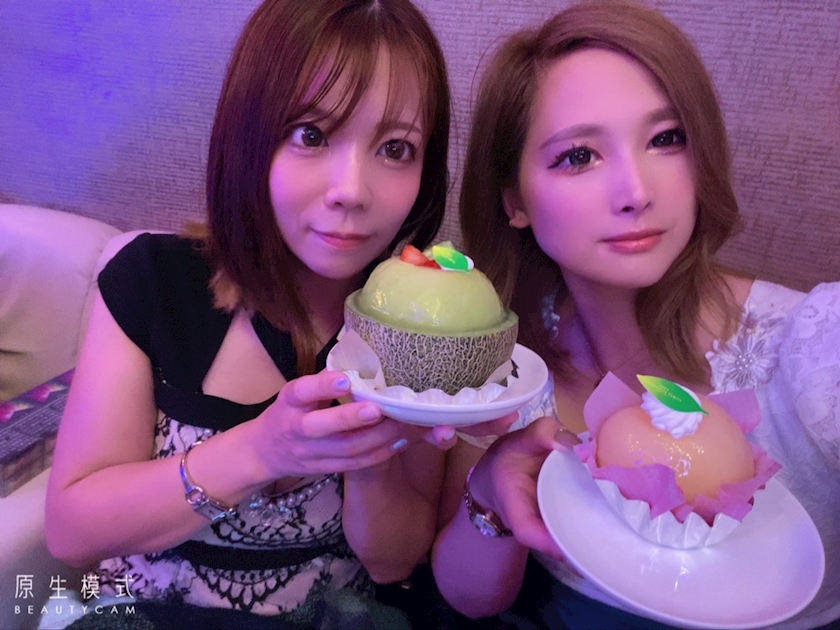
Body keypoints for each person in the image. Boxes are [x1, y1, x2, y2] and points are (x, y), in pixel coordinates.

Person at [44, 1, 460, 628]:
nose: (352, 190)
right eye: (311, 135)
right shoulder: (152, 282)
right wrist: (264, 450)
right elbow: (73, 533)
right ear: (249, 137)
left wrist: (373, 448)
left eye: (396, 148)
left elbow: (393, 562)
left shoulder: (423, 321)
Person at [432, 1, 840, 629]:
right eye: (578, 156)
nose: (636, 192)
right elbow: (469, 598)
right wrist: (488, 493)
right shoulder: (504, 364)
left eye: (666, 139)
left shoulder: (815, 348)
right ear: (514, 200)